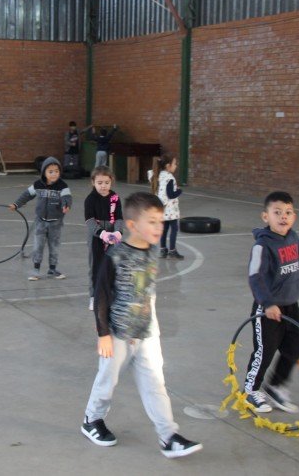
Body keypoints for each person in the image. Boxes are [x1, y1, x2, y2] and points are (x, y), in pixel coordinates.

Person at [81, 191, 202, 459]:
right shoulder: (116, 255)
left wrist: (150, 327)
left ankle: (168, 436)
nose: (159, 227)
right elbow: (102, 294)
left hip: (146, 332)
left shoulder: (153, 250)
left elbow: (146, 292)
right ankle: (92, 419)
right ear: (133, 225)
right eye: (153, 222)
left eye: (161, 221)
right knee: (108, 380)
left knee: (155, 383)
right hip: (117, 333)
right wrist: (103, 334)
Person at [242, 191, 299, 414]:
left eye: (288, 212)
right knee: (264, 351)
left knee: (294, 348)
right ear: (266, 217)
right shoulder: (262, 246)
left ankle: (275, 386)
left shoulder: (292, 237)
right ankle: (250, 390)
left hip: (291, 307)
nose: (283, 216)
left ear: (293, 216)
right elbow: (255, 276)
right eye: (277, 212)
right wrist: (267, 303)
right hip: (268, 310)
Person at [9, 156, 72, 281]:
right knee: (38, 246)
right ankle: (36, 270)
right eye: (51, 171)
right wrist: (16, 204)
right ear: (44, 172)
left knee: (54, 246)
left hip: (56, 223)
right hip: (40, 222)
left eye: (57, 171)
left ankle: (52, 269)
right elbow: (26, 195)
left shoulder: (63, 186)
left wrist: (66, 205)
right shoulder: (37, 185)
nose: (54, 174)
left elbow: (67, 198)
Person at [84, 166, 124, 311]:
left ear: (111, 182)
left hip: (113, 236)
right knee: (96, 266)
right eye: (99, 182)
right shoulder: (90, 199)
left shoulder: (115, 198)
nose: (103, 186)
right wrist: (101, 233)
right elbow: (89, 220)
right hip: (97, 236)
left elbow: (119, 216)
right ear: (93, 182)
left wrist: (118, 231)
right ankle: (94, 296)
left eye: (106, 182)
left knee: (112, 266)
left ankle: (110, 295)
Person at [148, 153, 184, 259]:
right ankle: (172, 251)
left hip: (160, 208)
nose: (176, 166)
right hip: (170, 209)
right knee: (174, 228)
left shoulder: (157, 175)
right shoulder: (170, 178)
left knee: (164, 229)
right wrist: (179, 191)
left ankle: (163, 250)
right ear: (168, 166)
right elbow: (170, 195)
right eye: (174, 164)